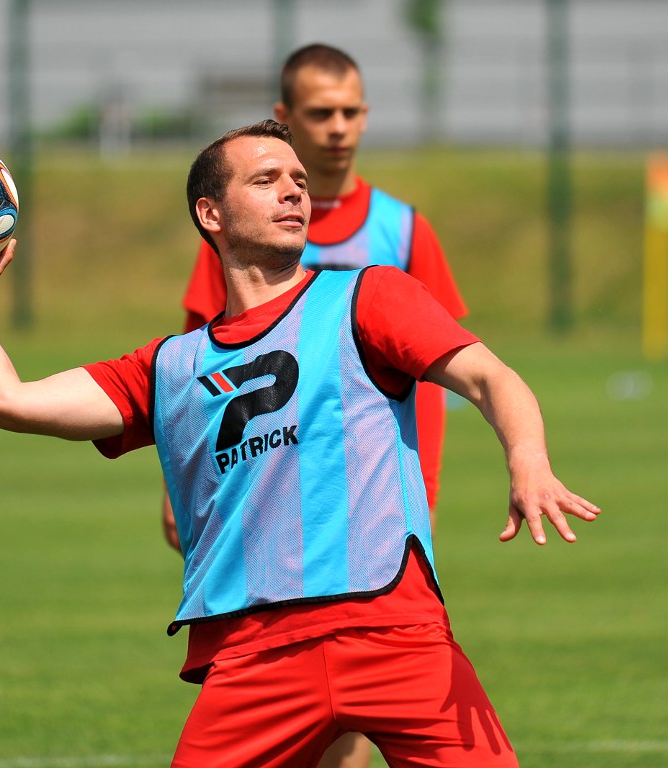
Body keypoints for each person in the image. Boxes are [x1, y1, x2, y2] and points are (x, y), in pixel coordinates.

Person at [0, 119, 600, 767]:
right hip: (251, 657)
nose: (294, 191)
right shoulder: (168, 367)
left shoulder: (369, 298)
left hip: (394, 634)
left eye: (298, 180)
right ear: (210, 213)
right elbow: (4, 399)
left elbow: (489, 377)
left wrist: (528, 459)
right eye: (266, 180)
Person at [167, 47, 467, 766]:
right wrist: (178, 491)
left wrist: (422, 487)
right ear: (285, 117)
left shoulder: (401, 230)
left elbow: (443, 367)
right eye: (320, 112)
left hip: (374, 501)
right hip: (266, 487)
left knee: (359, 697)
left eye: (350, 111)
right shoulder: (241, 229)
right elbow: (199, 369)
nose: (338, 127)